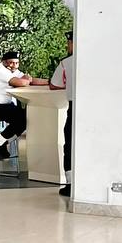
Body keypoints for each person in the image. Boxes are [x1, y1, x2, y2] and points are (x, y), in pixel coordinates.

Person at [0, 50, 48, 158]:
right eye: (11, 62)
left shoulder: (13, 71)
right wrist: (27, 79)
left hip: (4, 105)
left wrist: (49, 82)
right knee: (22, 117)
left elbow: (30, 80)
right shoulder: (1, 71)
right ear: (3, 62)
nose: (14, 65)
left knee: (27, 117)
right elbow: (21, 82)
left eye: (16, 63)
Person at [50, 30, 73, 197]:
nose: (68, 46)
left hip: (74, 107)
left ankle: (70, 184)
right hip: (94, 108)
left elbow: (55, 84)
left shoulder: (66, 62)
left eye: (69, 43)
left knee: (70, 144)